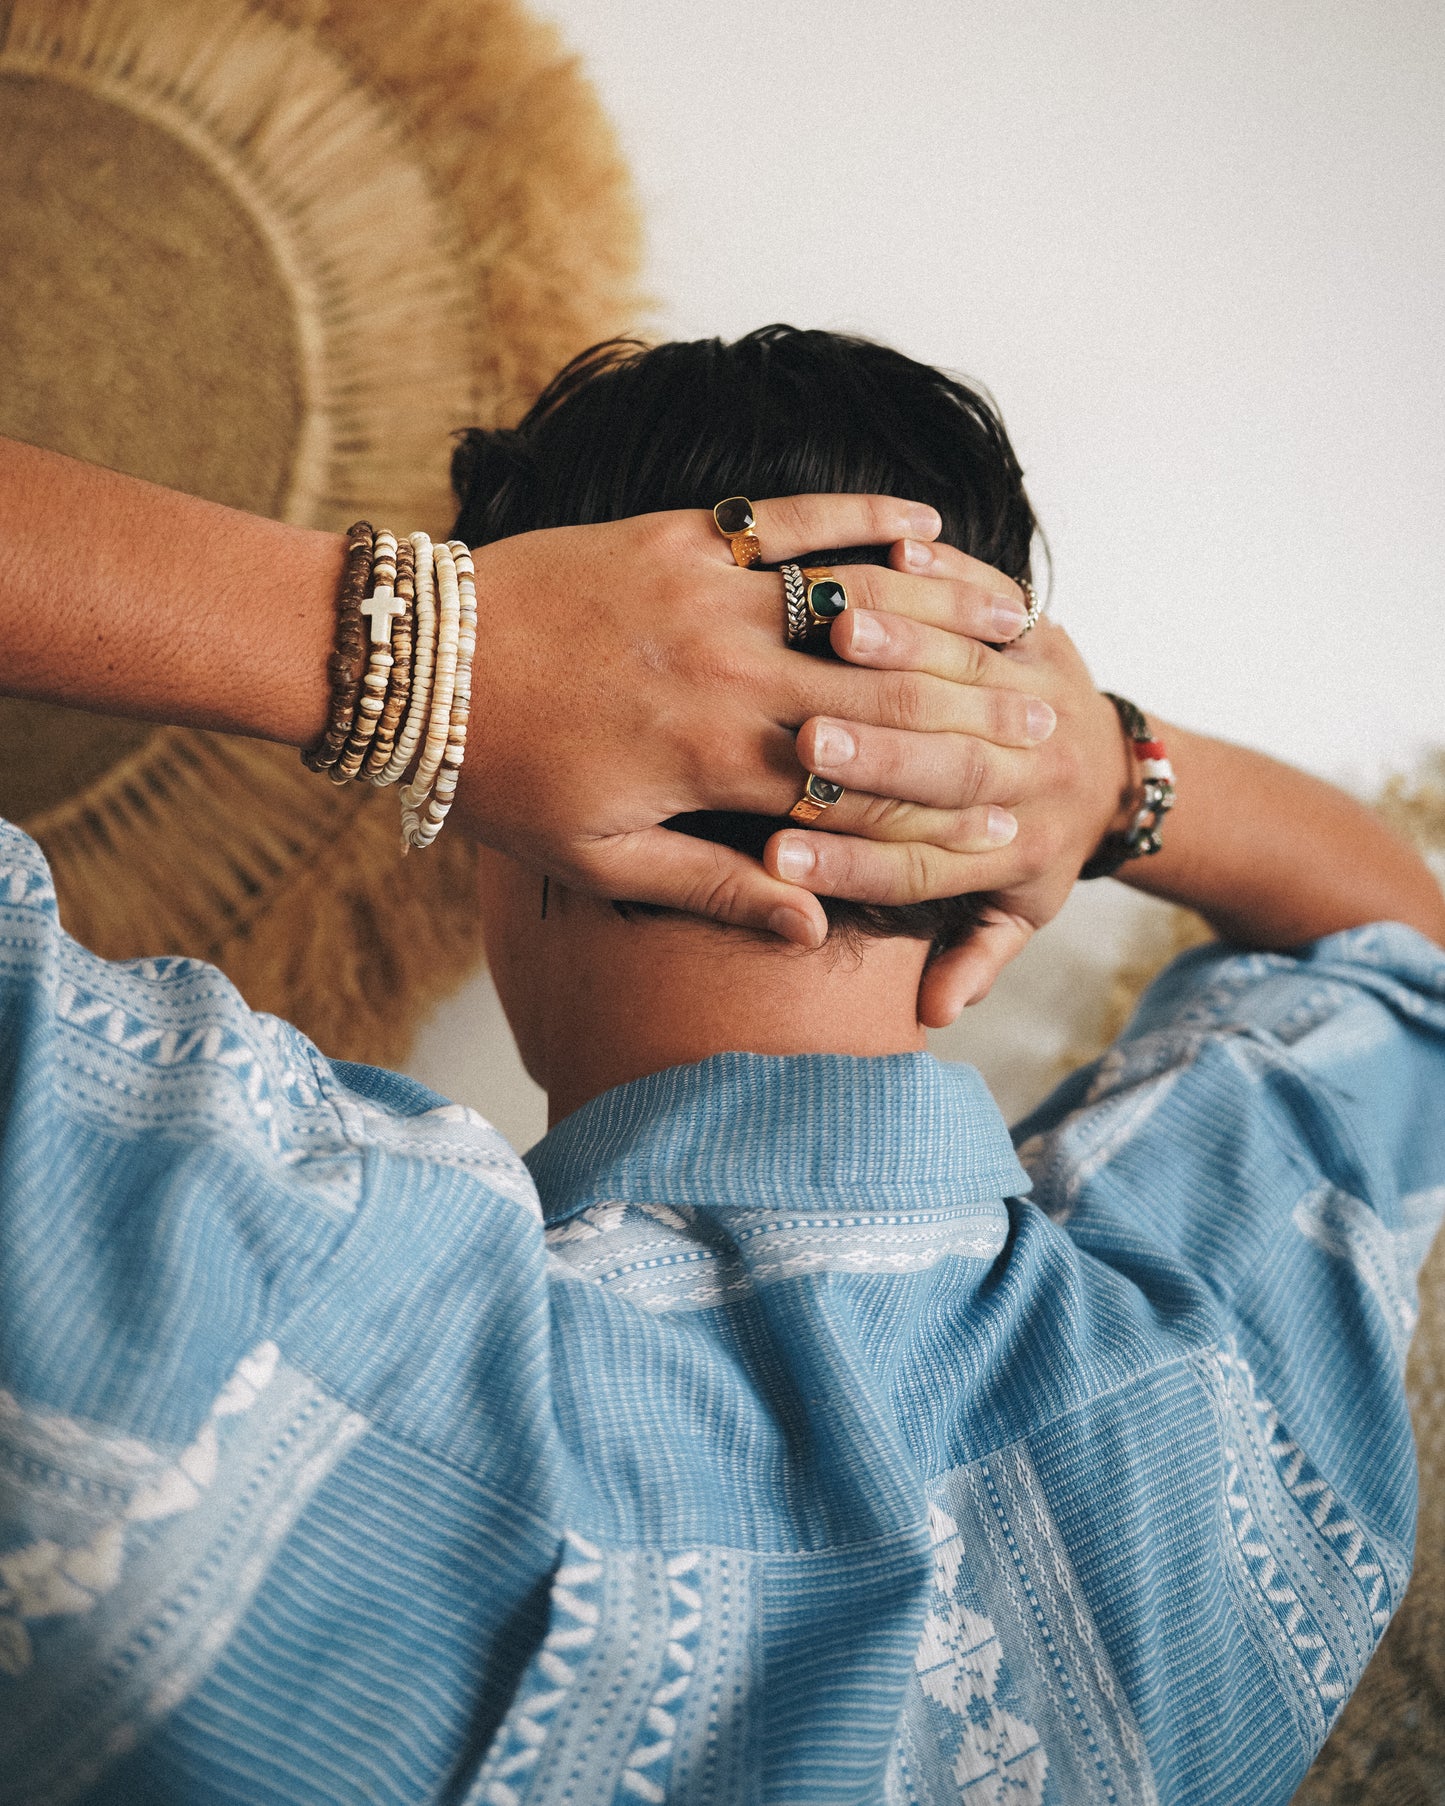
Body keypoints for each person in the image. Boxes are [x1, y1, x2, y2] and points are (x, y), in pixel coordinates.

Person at [0, 326, 1442, 1806]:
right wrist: (1103, 765)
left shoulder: (223, 1275)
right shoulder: (1226, 1397)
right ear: (982, 800)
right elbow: (1407, 945)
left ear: (508, 817)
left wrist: (429, 649)